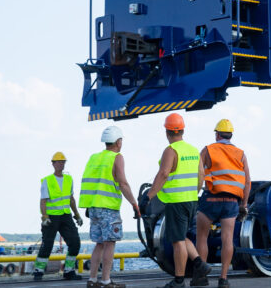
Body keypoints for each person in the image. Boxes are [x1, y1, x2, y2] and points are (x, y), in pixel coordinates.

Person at [147, 113, 209, 288]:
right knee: (181, 236)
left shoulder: (171, 150)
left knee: (177, 241)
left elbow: (164, 174)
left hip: (176, 201)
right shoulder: (193, 150)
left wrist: (149, 195)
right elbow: (201, 175)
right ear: (182, 130)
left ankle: (179, 280)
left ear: (167, 132)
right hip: (191, 200)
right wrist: (194, 193)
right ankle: (199, 263)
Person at [80, 126, 141, 288]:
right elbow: (123, 183)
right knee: (110, 243)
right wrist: (134, 204)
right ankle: (106, 280)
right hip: (108, 208)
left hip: (93, 208)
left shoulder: (94, 158)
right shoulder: (117, 157)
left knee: (99, 244)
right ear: (118, 142)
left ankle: (92, 280)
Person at [194, 119, 251, 287]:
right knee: (227, 239)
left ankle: (202, 277)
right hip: (231, 202)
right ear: (231, 135)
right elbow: (247, 182)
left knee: (202, 237)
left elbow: (198, 175)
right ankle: (223, 279)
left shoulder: (208, 150)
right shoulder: (241, 154)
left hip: (210, 199)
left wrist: (195, 194)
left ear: (217, 134)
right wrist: (244, 204)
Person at [34, 152, 83, 281]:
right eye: (59, 162)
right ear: (53, 164)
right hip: (51, 217)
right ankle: (38, 271)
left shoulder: (68, 179)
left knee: (75, 242)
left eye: (63, 162)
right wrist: (44, 217)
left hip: (65, 216)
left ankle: (69, 271)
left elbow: (71, 199)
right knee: (47, 244)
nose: (61, 164)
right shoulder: (47, 181)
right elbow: (43, 201)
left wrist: (76, 214)